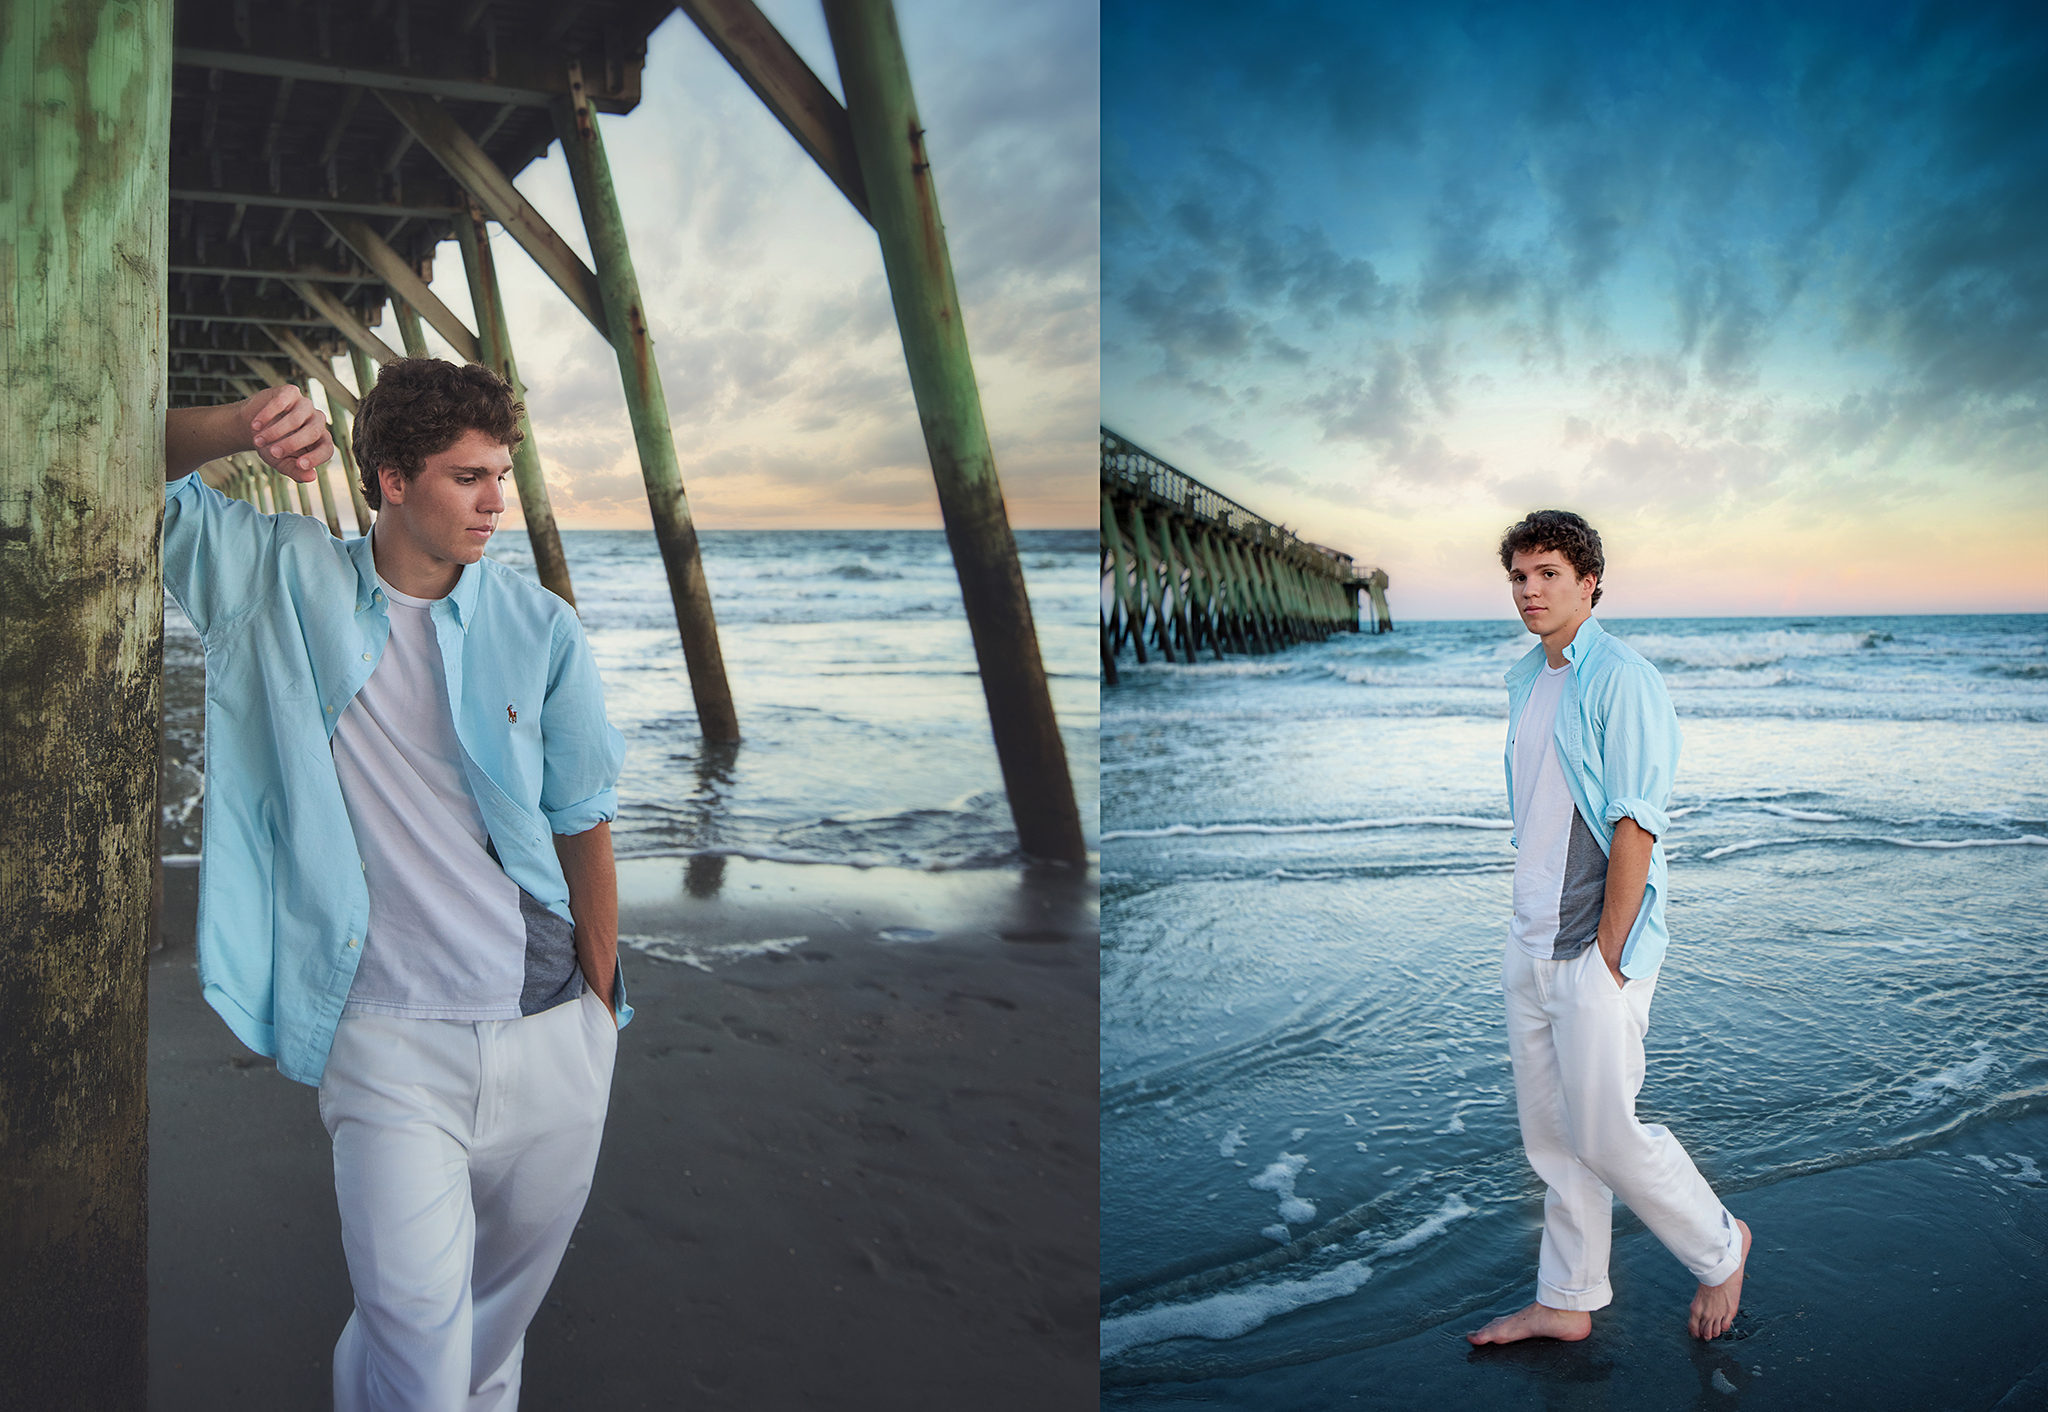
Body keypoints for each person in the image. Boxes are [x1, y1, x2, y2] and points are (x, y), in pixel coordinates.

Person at [163, 363, 628, 1409]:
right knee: (417, 1343)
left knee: (488, 1336)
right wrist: (238, 425)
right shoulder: (280, 581)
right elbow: (121, 473)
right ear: (389, 480)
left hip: (547, 1030)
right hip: (386, 1041)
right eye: (467, 477)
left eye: (500, 475)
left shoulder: (540, 626)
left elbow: (584, 820)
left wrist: (599, 1008)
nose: (495, 502)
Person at [1466, 509, 1750, 1348]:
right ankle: (1568, 1297)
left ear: (1589, 582)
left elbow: (1635, 823)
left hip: (1596, 945)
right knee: (1554, 1139)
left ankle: (1719, 1242)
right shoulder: (1529, 679)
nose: (1530, 590)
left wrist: (1611, 957)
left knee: (1605, 1131)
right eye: (1519, 576)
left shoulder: (1622, 677)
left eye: (1548, 573)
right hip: (1530, 937)